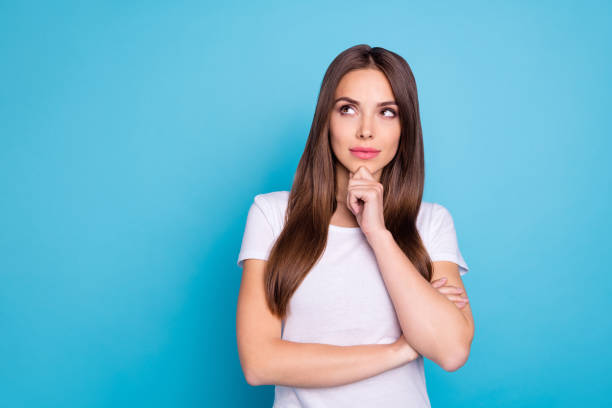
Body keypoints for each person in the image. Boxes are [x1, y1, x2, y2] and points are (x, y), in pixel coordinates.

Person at [235, 44, 474, 408]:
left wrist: (378, 234)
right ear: (325, 121)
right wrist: (400, 350)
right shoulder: (272, 215)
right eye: (347, 109)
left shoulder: (431, 223)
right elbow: (259, 363)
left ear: (405, 126)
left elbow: (451, 350)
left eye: (387, 112)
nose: (366, 130)